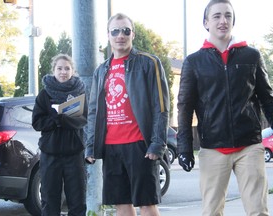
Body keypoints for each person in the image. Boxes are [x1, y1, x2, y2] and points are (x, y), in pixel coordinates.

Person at [177, 0, 272, 215]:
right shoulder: (194, 62)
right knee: (211, 211)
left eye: (228, 16)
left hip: (249, 146)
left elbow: (267, 99)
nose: (223, 21)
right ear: (206, 22)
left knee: (258, 210)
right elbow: (185, 107)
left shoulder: (252, 56)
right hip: (213, 148)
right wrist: (184, 148)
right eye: (217, 16)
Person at [85, 13, 169, 216]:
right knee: (121, 204)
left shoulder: (149, 63)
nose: (120, 35)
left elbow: (162, 106)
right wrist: (90, 146)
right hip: (111, 146)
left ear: (133, 34)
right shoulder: (101, 70)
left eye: (125, 31)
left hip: (140, 145)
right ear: (108, 35)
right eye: (115, 31)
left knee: (147, 204)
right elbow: (94, 110)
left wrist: (157, 143)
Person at [32, 54, 87, 216]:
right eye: (60, 68)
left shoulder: (80, 92)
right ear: (54, 70)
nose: (63, 72)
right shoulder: (44, 94)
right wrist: (55, 120)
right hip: (50, 155)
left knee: (77, 201)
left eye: (67, 68)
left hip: (74, 154)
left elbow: (83, 119)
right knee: (50, 200)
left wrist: (63, 119)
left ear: (73, 70)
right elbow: (37, 123)